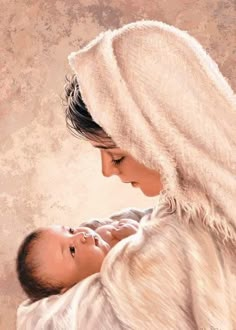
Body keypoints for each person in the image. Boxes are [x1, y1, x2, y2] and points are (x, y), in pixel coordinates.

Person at [17, 20, 236, 330]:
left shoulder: (179, 244)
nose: (108, 170)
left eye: (116, 155)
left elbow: (39, 320)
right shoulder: (188, 212)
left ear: (164, 132)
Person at [16, 218, 140, 302]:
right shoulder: (116, 279)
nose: (81, 235)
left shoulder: (105, 232)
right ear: (75, 288)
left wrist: (129, 224)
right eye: (72, 250)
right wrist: (138, 237)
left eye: (71, 231)